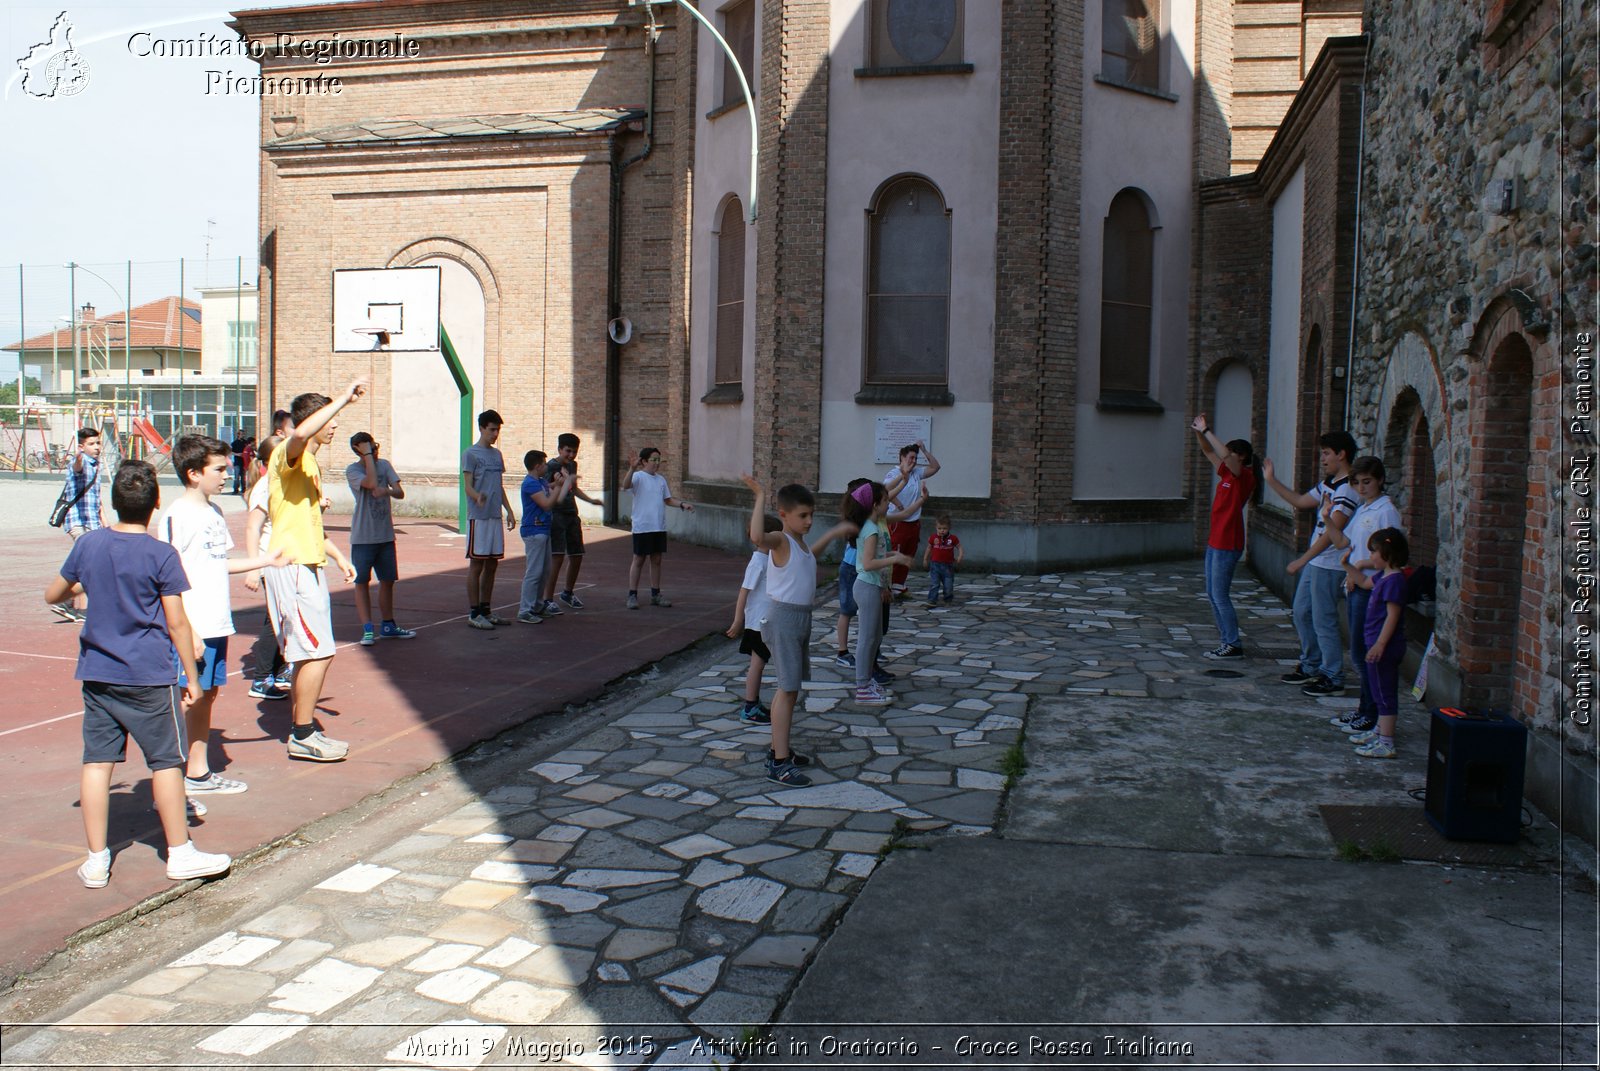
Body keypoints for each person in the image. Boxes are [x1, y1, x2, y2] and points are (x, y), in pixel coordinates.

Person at [45, 459, 231, 888]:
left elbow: (53, 593)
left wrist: (81, 584)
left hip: (98, 673)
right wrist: (193, 677)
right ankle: (180, 853)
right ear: (155, 503)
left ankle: (96, 860)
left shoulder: (88, 546)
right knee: (166, 762)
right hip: (148, 674)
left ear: (114, 502)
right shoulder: (160, 554)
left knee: (97, 762)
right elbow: (178, 623)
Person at [158, 434, 286, 798]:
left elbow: (218, 563)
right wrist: (187, 630)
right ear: (194, 473)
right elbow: (168, 576)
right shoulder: (177, 516)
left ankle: (197, 772)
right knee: (188, 697)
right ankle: (176, 775)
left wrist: (265, 561)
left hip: (215, 622)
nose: (228, 474)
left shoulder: (213, 512)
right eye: (219, 468)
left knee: (207, 695)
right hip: (193, 625)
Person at [263, 381, 365, 762]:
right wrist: (343, 399)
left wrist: (338, 558)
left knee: (312, 654)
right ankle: (302, 734)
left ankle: (302, 730)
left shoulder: (310, 464)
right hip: (291, 567)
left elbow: (303, 523)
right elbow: (300, 432)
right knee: (318, 652)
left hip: (308, 562)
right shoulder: (290, 453)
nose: (335, 425)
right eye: (331, 418)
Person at [1262, 431, 1359, 697]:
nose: (1323, 459)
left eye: (1327, 453)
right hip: (1317, 562)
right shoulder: (1329, 482)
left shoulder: (1348, 488)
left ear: (1342, 454)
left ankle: (1332, 675)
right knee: (1302, 612)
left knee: (1323, 619)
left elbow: (1333, 532)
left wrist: (1303, 559)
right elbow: (1301, 501)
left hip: (1330, 564)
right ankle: (1311, 664)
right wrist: (1271, 480)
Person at [739, 474, 817, 787]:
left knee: (791, 689)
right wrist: (760, 496)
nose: (809, 520)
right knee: (786, 690)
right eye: (803, 515)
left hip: (799, 620)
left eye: (811, 514)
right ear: (784, 516)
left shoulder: (800, 544)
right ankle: (779, 764)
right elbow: (758, 536)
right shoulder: (781, 540)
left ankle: (778, 750)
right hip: (783, 619)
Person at [1328, 457, 1404, 737]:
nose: (1361, 487)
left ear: (1380, 480)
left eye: (1367, 482)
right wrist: (1327, 517)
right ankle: (1364, 709)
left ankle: (1372, 714)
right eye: (1356, 482)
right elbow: (1347, 543)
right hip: (1357, 584)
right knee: (1358, 652)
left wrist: (1361, 566)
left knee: (1366, 654)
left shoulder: (1386, 511)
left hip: (1372, 587)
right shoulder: (1364, 508)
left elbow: (1391, 555)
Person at [1190, 415, 1262, 659]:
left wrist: (1207, 429)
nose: (1225, 455)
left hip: (1228, 543)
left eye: (1231, 452)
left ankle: (1233, 643)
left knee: (1220, 595)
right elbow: (1209, 451)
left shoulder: (1244, 477)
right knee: (1212, 593)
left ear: (1240, 456)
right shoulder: (1227, 475)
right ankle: (1226, 641)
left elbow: (1225, 455)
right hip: (1215, 542)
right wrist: (1198, 433)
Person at [1342, 528, 1410, 759]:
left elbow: (1392, 616)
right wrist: (1347, 566)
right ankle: (1379, 732)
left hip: (1385, 647)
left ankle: (1387, 742)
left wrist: (1380, 644)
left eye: (1374, 552)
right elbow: (1362, 581)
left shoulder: (1395, 582)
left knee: (1384, 693)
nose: (1371, 557)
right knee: (1378, 689)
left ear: (1388, 554)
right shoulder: (1383, 576)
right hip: (1376, 644)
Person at [346, 432, 416, 646]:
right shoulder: (353, 470)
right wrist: (366, 455)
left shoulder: (384, 464)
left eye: (375, 447)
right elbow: (369, 481)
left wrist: (387, 492)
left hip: (385, 535)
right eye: (368, 449)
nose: (374, 453)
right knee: (361, 582)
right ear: (359, 450)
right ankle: (368, 629)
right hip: (363, 537)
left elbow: (399, 492)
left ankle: (388, 624)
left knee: (387, 580)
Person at [850, 482, 914, 707]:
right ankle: (862, 687)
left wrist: (892, 553)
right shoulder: (870, 529)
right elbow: (868, 563)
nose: (890, 503)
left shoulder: (872, 525)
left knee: (875, 637)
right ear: (875, 505)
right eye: (886, 501)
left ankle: (867, 682)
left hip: (873, 587)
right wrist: (895, 559)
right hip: (867, 587)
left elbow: (876, 554)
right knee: (867, 639)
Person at [243, 436, 290, 701]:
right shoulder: (265, 486)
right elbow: (253, 527)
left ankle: (280, 670)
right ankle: (261, 679)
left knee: (283, 617)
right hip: (268, 562)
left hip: (281, 561)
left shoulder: (280, 481)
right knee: (273, 618)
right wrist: (253, 567)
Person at [462, 410, 516, 629]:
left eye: (498, 430)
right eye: (492, 429)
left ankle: (486, 609)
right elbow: (467, 485)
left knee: (492, 564)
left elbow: (499, 486)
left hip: (494, 516)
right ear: (482, 428)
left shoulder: (497, 455)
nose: (495, 434)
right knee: (477, 565)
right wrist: (478, 496)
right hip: (479, 517)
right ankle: (474, 613)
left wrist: (509, 510)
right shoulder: (470, 454)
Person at [727, 514, 783, 725]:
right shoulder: (758, 562)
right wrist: (737, 620)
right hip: (758, 622)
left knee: (760, 662)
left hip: (767, 620)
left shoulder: (769, 559)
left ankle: (754, 703)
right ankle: (750, 707)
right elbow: (744, 591)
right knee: (757, 664)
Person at [625, 446, 694, 609]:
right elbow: (626, 485)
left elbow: (668, 500)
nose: (657, 463)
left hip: (658, 526)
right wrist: (631, 468)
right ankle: (632, 595)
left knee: (656, 560)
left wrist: (683, 504)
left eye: (658, 460)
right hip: (642, 526)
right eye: (653, 460)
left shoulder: (661, 480)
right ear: (644, 461)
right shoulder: (638, 477)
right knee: (639, 559)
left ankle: (655, 594)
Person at [50, 427, 105, 622]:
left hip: (91, 521)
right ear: (82, 447)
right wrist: (79, 456)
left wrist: (103, 522)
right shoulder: (79, 462)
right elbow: (77, 466)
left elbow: (97, 500)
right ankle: (79, 608)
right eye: (91, 444)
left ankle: (66, 601)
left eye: (98, 443)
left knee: (87, 562)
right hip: (77, 521)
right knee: (86, 563)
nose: (97, 447)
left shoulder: (97, 465)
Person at [544, 432, 603, 611]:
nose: (571, 455)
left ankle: (567, 593)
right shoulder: (550, 467)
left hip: (571, 515)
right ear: (560, 449)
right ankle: (547, 599)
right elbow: (546, 489)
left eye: (574, 452)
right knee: (557, 557)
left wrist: (591, 500)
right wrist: (559, 485)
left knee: (577, 555)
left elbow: (574, 488)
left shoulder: (572, 465)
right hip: (556, 515)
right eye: (568, 451)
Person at [882, 441, 939, 597]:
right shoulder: (893, 474)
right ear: (902, 457)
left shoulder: (916, 473)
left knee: (908, 554)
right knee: (895, 554)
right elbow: (885, 492)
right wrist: (899, 504)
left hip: (913, 521)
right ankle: (888, 586)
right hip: (897, 521)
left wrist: (925, 451)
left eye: (915, 458)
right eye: (910, 458)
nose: (913, 461)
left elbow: (935, 467)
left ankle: (899, 586)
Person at [517, 450, 567, 623]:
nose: (546, 467)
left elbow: (552, 490)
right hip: (534, 531)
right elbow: (546, 504)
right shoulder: (530, 484)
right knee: (534, 572)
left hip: (544, 530)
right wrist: (559, 486)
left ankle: (537, 606)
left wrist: (561, 483)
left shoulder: (541, 482)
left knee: (544, 571)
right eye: (544, 464)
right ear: (537, 466)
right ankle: (525, 610)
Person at [921, 513, 964, 607]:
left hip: (948, 565)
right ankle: (932, 600)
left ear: (949, 528)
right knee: (934, 584)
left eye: (944, 528)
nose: (942, 531)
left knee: (948, 585)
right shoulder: (933, 538)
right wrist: (925, 559)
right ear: (936, 527)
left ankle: (947, 599)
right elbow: (929, 548)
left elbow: (959, 547)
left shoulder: (953, 539)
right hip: (935, 565)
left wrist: (960, 556)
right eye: (939, 528)